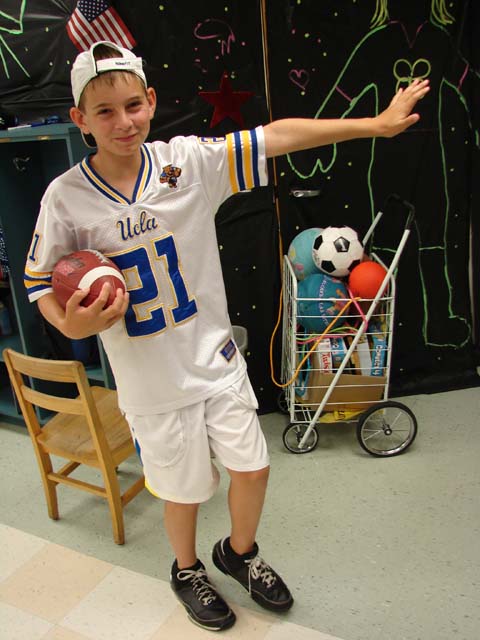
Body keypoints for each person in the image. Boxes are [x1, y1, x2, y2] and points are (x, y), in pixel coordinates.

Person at [24, 41, 429, 632]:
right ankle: (186, 568)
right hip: (151, 380)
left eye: (133, 105)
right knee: (183, 491)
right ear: (80, 119)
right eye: (104, 111)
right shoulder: (66, 197)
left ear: (151, 101)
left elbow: (274, 136)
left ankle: (238, 553)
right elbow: (40, 283)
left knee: (254, 467)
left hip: (213, 357)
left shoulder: (185, 162)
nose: (123, 121)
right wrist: (72, 323)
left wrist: (374, 124)